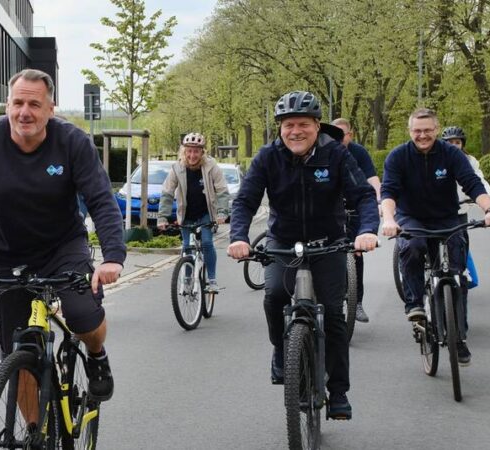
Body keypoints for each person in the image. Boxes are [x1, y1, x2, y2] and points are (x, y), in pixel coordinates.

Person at [0, 69, 125, 409]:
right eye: (17, 103)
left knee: (82, 313)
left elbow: (101, 200)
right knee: (19, 354)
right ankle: (31, 434)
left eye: (34, 104)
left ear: (50, 109)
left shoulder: (72, 142)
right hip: (7, 254)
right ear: (7, 105)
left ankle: (97, 355)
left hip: (63, 247)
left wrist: (113, 256)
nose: (24, 112)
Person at [227, 91, 379, 420]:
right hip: (283, 241)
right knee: (274, 296)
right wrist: (238, 236)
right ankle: (283, 351)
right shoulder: (268, 157)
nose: (295, 131)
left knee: (335, 318)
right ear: (280, 128)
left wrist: (366, 230)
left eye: (303, 125)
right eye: (288, 125)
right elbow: (245, 201)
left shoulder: (336, 155)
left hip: (329, 243)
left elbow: (364, 195)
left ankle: (338, 391)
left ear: (317, 126)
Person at [381, 109, 490, 366]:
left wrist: (488, 208)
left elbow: (472, 184)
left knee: (457, 274)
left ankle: (459, 339)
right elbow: (388, 191)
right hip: (411, 216)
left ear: (436, 129)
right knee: (412, 246)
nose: (422, 135)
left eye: (427, 130)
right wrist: (389, 220)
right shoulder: (398, 156)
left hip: (447, 218)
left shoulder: (451, 154)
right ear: (410, 131)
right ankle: (415, 305)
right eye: (417, 131)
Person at [157, 132, 230, 291]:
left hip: (206, 213)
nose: (192, 155)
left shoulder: (211, 166)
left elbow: (222, 191)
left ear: (202, 152)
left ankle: (211, 280)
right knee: (187, 248)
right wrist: (162, 217)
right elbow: (167, 193)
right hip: (186, 215)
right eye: (189, 151)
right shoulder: (177, 168)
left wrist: (222, 213)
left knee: (207, 242)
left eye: (196, 151)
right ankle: (188, 279)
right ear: (184, 151)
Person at [440, 126, 490, 334]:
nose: (453, 146)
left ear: (463, 144)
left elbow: (479, 182)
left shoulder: (470, 162)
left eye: (457, 143)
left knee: (459, 269)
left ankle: (460, 325)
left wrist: (488, 205)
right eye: (449, 143)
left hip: (458, 213)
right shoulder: (436, 159)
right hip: (433, 215)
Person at [331, 118, 381, 323]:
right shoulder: (325, 150)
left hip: (354, 207)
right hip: (332, 208)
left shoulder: (358, 152)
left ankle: (356, 302)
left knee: (356, 254)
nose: (338, 138)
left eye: (342, 134)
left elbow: (371, 178)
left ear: (350, 135)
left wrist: (379, 199)